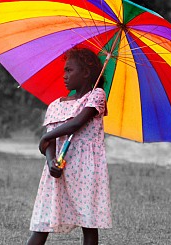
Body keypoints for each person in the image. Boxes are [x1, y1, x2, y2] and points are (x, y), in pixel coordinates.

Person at [27, 48, 112, 245]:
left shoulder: (96, 96)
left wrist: (45, 137)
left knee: (89, 223)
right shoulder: (55, 104)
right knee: (41, 224)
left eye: (69, 70)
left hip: (85, 170)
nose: (64, 75)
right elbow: (48, 144)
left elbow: (76, 124)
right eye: (64, 71)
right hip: (58, 168)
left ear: (86, 73)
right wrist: (50, 163)